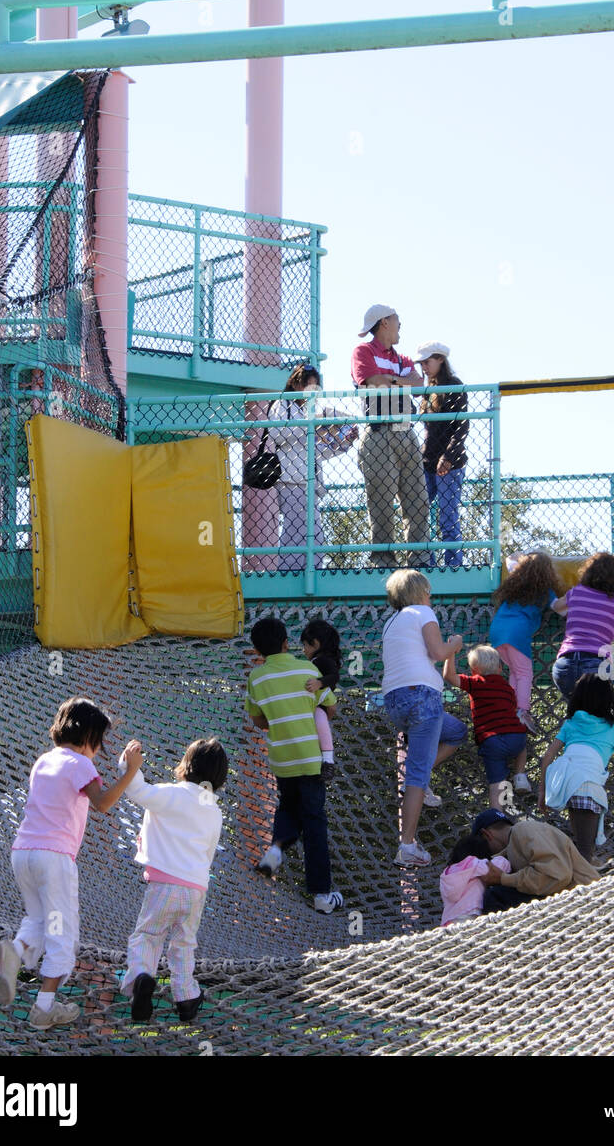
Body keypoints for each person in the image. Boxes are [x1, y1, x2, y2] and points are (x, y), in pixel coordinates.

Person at [0, 697, 142, 1028]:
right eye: (100, 742)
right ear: (88, 737)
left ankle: (15, 950)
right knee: (63, 933)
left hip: (23, 854)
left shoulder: (43, 761)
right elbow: (103, 803)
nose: (99, 751)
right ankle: (44, 1007)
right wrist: (131, 771)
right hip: (53, 861)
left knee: (39, 920)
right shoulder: (80, 764)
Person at [119, 736, 228, 1024]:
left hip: (165, 884)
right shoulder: (215, 811)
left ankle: (141, 979)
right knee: (184, 943)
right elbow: (208, 851)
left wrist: (129, 763)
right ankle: (187, 997)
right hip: (196, 889)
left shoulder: (173, 794)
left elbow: (136, 789)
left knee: (148, 935)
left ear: (185, 766)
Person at [246, 616, 343, 913]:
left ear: (259, 651)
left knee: (287, 807)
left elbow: (258, 720)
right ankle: (321, 895)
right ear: (287, 643)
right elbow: (332, 709)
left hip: (282, 759)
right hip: (311, 758)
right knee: (314, 822)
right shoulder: (307, 669)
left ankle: (276, 848)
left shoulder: (256, 678)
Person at [381, 569, 467, 866]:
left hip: (395, 701)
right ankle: (407, 845)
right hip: (422, 698)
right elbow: (438, 651)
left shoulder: (391, 622)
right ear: (420, 593)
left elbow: (419, 655)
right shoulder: (423, 612)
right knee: (416, 775)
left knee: (456, 731)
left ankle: (424, 776)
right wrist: (455, 644)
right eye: (428, 592)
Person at [538, 673, 614, 865]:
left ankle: (586, 868)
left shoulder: (570, 724)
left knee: (583, 847)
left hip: (564, 784)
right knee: (585, 853)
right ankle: (582, 885)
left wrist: (542, 792)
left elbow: (547, 758)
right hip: (587, 787)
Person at [352, 305, 430, 569]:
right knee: (381, 505)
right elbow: (372, 382)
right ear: (384, 322)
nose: (401, 325)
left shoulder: (400, 358)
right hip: (379, 433)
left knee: (418, 502)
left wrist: (391, 380)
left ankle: (419, 560)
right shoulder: (363, 351)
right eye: (397, 320)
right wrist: (400, 380)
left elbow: (419, 386)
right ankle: (383, 563)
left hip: (405, 433)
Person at [442, 644, 530, 804]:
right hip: (515, 737)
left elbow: (449, 676)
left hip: (491, 740)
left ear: (474, 670)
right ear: (500, 668)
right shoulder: (508, 688)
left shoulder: (474, 682)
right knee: (522, 744)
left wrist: (451, 653)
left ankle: (498, 814)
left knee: (497, 782)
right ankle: (520, 775)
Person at [551, 553, 614, 699]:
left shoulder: (575, 592)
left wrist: (574, 612)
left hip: (564, 665)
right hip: (596, 664)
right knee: (596, 712)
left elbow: (556, 606)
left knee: (576, 710)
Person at [489, 551, 561, 736]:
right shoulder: (545, 591)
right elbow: (560, 608)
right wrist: (574, 598)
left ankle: (510, 709)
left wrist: (522, 556)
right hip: (517, 632)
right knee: (523, 672)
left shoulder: (515, 581)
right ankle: (522, 710)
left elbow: (510, 560)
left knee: (514, 672)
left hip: (497, 631)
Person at [471, 809, 600, 913]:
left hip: (586, 898)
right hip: (568, 900)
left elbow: (556, 875)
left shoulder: (522, 830)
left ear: (487, 835)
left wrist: (503, 879)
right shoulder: (512, 846)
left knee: (495, 896)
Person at [267, 363, 328, 573]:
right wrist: (309, 423)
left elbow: (316, 450)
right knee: (297, 534)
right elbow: (276, 434)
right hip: (291, 480)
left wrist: (342, 441)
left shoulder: (305, 410)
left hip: (307, 480)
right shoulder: (282, 404)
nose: (311, 392)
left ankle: (310, 574)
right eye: (307, 386)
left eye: (315, 388)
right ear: (295, 385)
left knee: (312, 536)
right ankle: (291, 577)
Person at [415, 342, 469, 568]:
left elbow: (461, 428)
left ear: (441, 360)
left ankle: (453, 565)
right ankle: (428, 562)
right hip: (428, 461)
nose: (424, 367)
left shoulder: (454, 386)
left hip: (450, 462)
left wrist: (447, 456)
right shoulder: (428, 390)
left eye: (427, 362)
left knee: (447, 515)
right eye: (422, 363)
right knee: (419, 513)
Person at [300, 617, 342, 783]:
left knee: (319, 720)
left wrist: (320, 683)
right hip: (314, 703)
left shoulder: (322, 660)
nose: (303, 650)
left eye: (305, 645)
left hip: (321, 704)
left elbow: (334, 676)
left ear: (315, 644)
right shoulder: (316, 661)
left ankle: (328, 760)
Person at [439, 832, 510, 926]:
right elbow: (499, 867)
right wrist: (503, 855)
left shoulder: (447, 872)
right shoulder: (474, 864)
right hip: (469, 916)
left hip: (448, 921)